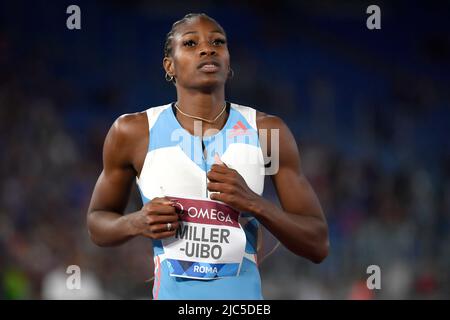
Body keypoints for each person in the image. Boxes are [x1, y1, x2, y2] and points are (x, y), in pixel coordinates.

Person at [87, 13, 329, 300]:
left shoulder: (267, 131)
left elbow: (317, 244)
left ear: (228, 62)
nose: (207, 49)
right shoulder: (133, 132)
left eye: (218, 42)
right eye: (190, 43)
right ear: (169, 65)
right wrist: (136, 222)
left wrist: (254, 203)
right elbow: (97, 223)